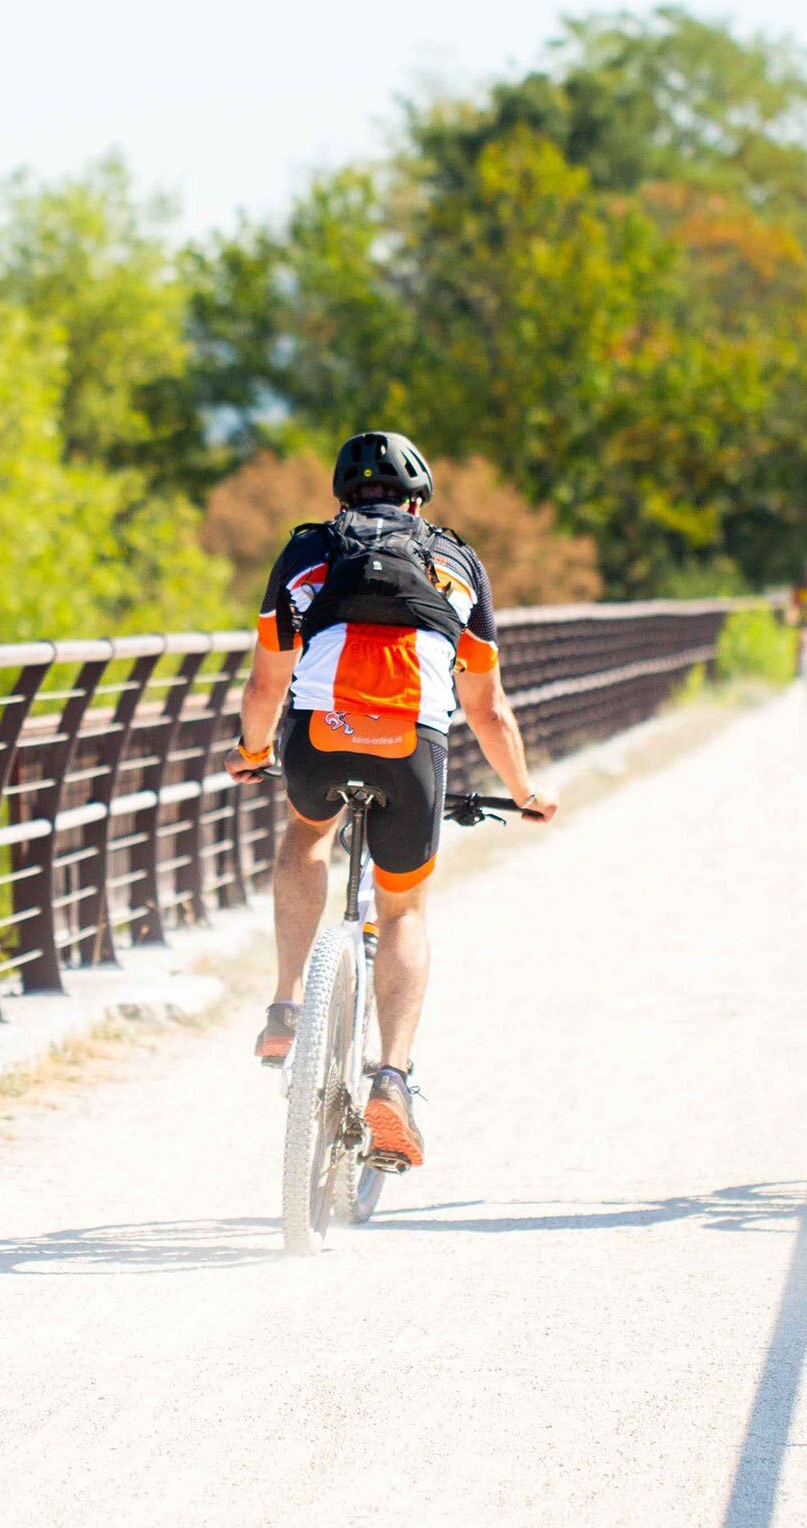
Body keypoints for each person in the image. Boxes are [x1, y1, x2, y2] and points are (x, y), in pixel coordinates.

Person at [224, 430, 556, 1174]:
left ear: (343, 496)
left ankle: (285, 1006)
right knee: (402, 906)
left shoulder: (308, 555)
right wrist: (528, 793)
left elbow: (264, 686)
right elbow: (489, 709)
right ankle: (392, 1079)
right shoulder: (455, 562)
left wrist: (251, 754)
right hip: (411, 752)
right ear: (418, 499)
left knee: (307, 836)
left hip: (317, 739)